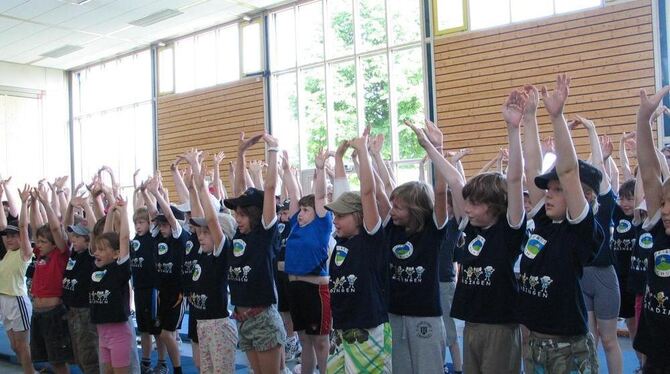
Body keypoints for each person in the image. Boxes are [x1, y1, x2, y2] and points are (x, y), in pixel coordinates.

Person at [518, 75, 601, 372]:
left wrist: (557, 117)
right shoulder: (543, 221)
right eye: (547, 190)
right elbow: (531, 165)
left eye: (557, 190)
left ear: (583, 195)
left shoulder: (578, 229)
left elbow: (568, 170)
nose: (548, 195)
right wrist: (529, 117)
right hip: (535, 342)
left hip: (567, 348)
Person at [448, 90, 528, 374]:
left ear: (494, 205)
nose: (466, 208)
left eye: (474, 203)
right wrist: (434, 148)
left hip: (500, 327)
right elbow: (454, 179)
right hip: (472, 323)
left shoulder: (509, 230)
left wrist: (513, 128)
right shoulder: (470, 228)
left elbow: (516, 179)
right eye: (466, 202)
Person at [388, 119, 451, 373]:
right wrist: (370, 156)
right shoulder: (392, 229)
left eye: (398, 207)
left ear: (414, 209)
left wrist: (435, 148)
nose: (392, 210)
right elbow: (381, 191)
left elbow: (440, 190)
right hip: (395, 315)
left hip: (425, 315)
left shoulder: (432, 231)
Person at [325, 136, 392, 373]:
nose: (335, 220)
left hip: (368, 328)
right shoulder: (339, 241)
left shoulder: (371, 239)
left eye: (341, 216)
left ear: (360, 216)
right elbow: (343, 192)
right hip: (341, 328)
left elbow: (367, 193)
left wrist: (363, 151)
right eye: (335, 215)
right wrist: (339, 158)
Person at [224, 133, 287, 374]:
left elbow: (269, 190)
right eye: (235, 214)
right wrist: (240, 154)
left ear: (255, 214)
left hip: (262, 318)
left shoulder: (265, 233)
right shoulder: (240, 234)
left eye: (241, 215)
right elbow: (240, 189)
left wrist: (273, 150)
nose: (236, 219)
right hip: (243, 319)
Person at [182, 149, 238, 373]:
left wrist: (199, 175)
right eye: (199, 232)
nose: (199, 236)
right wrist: (192, 187)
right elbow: (198, 215)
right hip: (202, 324)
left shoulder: (220, 253)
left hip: (219, 325)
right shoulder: (201, 252)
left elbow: (212, 220)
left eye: (206, 233)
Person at [283, 147, 333, 374]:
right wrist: (285, 169)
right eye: (300, 210)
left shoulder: (322, 225)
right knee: (304, 340)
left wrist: (320, 169)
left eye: (305, 210)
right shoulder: (295, 225)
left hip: (315, 291)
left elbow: (320, 196)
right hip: (294, 288)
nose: (300, 213)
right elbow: (293, 193)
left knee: (320, 342)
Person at [631, 85, 670, 372]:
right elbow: (649, 170)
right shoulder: (659, 229)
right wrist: (644, 121)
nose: (664, 210)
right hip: (656, 349)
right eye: (664, 202)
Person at [30, 186, 74, 374]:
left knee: (58, 360)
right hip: (38, 312)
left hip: (53, 313)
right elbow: (34, 227)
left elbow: (55, 227)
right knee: (46, 359)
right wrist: (32, 203)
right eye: (38, 242)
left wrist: (46, 203)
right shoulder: (40, 254)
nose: (38, 245)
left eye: (42, 242)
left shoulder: (60, 253)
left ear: (54, 243)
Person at [90, 197, 133, 374]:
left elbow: (123, 238)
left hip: (118, 333)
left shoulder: (119, 270)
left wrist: (123, 212)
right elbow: (104, 236)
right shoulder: (96, 269)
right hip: (102, 332)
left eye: (102, 250)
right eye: (96, 250)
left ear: (116, 254)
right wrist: (109, 213)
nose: (97, 253)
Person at [0, 181, 36, 374]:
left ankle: (29, 372)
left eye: (14, 236)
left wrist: (23, 204)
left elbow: (23, 226)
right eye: (8, 236)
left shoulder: (24, 253)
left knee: (22, 346)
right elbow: (2, 226)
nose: (10, 238)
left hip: (17, 300)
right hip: (4, 300)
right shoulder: (7, 253)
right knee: (15, 346)